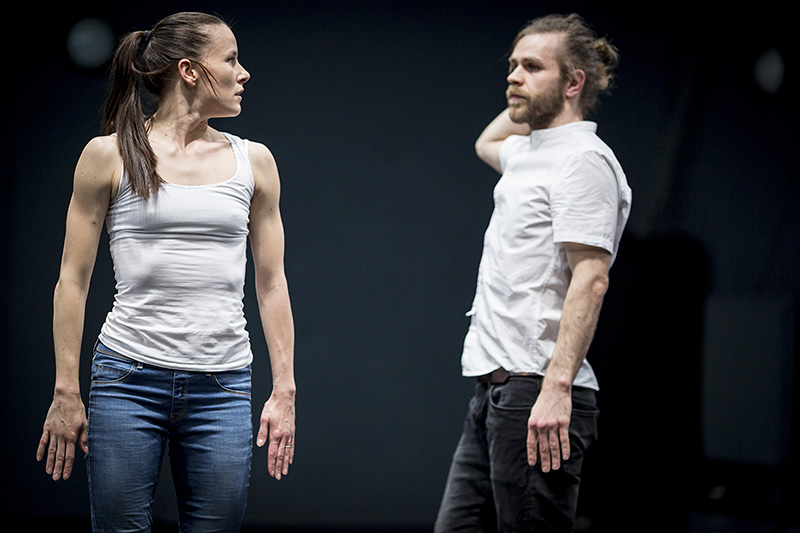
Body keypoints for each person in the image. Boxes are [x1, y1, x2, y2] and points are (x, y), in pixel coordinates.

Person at [35, 12, 296, 531]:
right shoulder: (108, 155)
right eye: (231, 59)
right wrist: (66, 391)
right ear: (190, 71)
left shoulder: (255, 162)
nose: (244, 73)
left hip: (222, 385)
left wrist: (284, 389)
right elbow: (72, 280)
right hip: (127, 380)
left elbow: (272, 285)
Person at [435, 13, 631, 532]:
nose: (513, 77)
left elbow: (592, 278)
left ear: (573, 83)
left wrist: (557, 388)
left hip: (538, 390)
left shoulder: (583, 161)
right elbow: (486, 142)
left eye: (532, 67)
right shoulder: (529, 152)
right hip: (494, 393)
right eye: (512, 65)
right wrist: (526, 96)